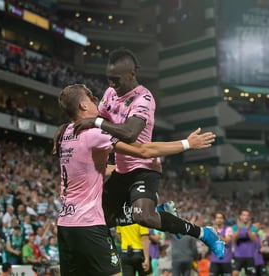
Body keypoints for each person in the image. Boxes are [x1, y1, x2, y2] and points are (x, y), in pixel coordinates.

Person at [73, 47, 224, 258]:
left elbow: (129, 133)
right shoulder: (110, 94)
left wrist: (96, 121)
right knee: (100, 218)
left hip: (145, 168)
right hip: (122, 170)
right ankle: (159, 215)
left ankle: (204, 233)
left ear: (131, 74)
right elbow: (100, 129)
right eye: (108, 79)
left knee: (143, 216)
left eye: (116, 79)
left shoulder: (144, 99)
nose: (111, 85)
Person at [53, 83, 218, 276]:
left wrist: (120, 170)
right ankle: (157, 215)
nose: (96, 100)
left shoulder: (64, 133)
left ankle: (156, 215)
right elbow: (143, 150)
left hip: (65, 225)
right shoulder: (93, 133)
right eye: (91, 97)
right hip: (89, 224)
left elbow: (91, 170)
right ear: (82, 106)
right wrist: (187, 143)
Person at [232, 209, 257, 276]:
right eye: (244, 215)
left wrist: (248, 229)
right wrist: (239, 228)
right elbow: (234, 238)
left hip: (249, 256)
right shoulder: (235, 227)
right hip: (238, 256)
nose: (246, 217)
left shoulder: (253, 227)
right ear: (240, 217)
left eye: (247, 215)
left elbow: (253, 239)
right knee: (234, 273)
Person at [210, 212, 233, 276]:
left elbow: (226, 241)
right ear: (215, 220)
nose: (219, 220)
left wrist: (216, 233)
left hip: (225, 260)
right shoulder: (211, 230)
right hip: (214, 260)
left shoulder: (228, 229)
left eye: (221, 218)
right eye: (217, 218)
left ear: (224, 220)